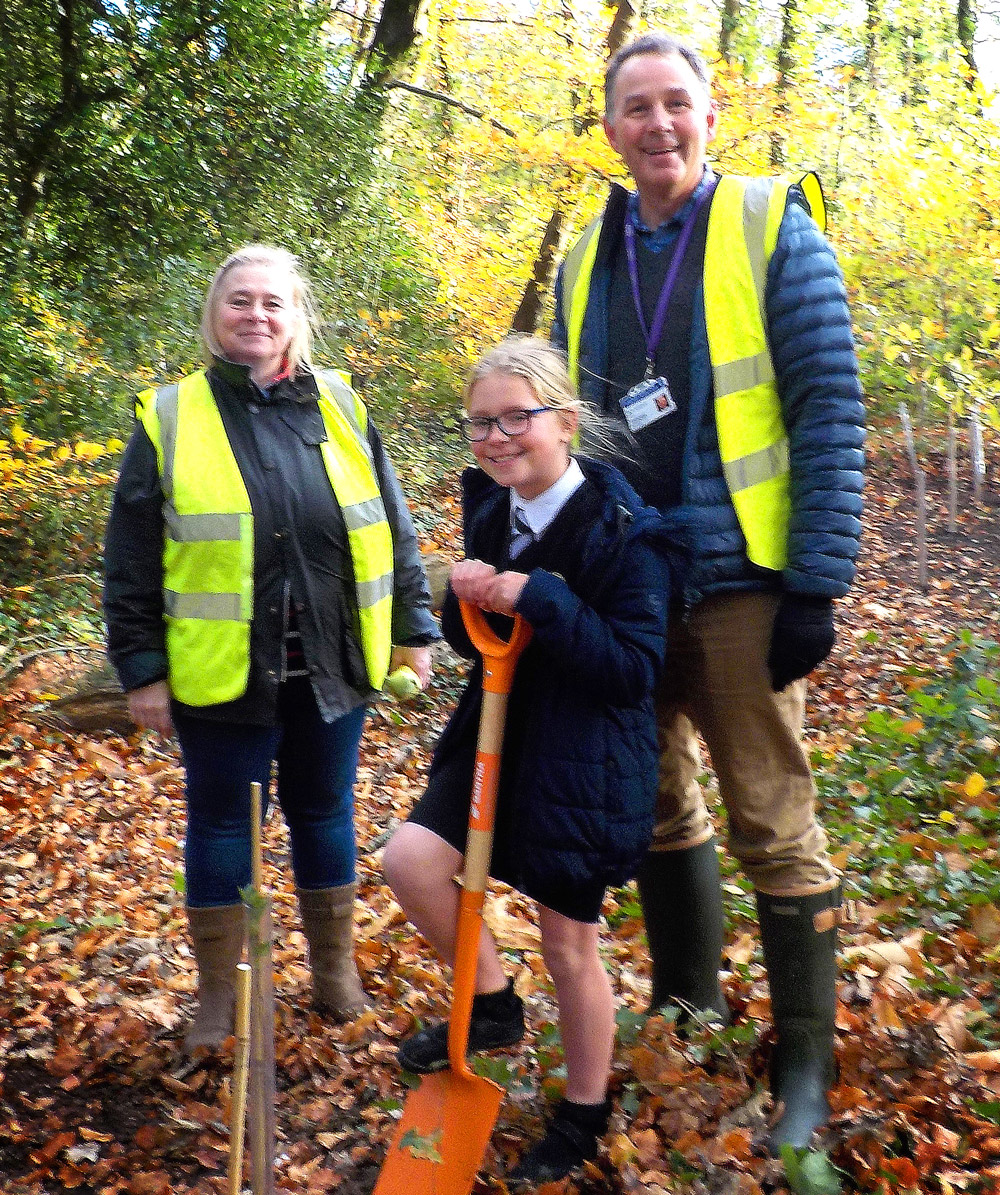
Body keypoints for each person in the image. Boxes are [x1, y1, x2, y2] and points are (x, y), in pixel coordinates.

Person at [550, 34, 865, 1153]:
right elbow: (569, 432)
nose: (658, 126)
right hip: (629, 583)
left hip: (741, 581)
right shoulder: (584, 256)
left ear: (711, 113)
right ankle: (688, 1005)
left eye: (675, 103)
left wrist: (816, 583)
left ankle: (803, 1071)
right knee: (651, 802)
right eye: (635, 108)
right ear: (610, 128)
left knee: (772, 819)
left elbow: (829, 407)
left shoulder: (776, 226)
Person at [103, 244, 438, 1050]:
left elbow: (392, 527)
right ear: (215, 316)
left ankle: (334, 974)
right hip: (221, 672)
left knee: (325, 812)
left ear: (297, 317)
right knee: (223, 825)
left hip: (335, 662)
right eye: (239, 301)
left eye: (272, 303)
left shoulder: (343, 404)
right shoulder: (171, 415)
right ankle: (224, 996)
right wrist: (141, 668)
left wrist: (416, 629)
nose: (256, 315)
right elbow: (131, 558)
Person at [382, 336, 680, 1184]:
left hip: (580, 760)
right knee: (410, 860)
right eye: (481, 421)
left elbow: (631, 671)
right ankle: (493, 1003)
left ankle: (585, 1109)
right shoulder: (491, 505)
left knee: (568, 941)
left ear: (567, 422)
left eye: (519, 416)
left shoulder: (629, 533)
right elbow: (474, 642)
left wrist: (539, 597)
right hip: (495, 736)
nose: (497, 436)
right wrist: (461, 599)